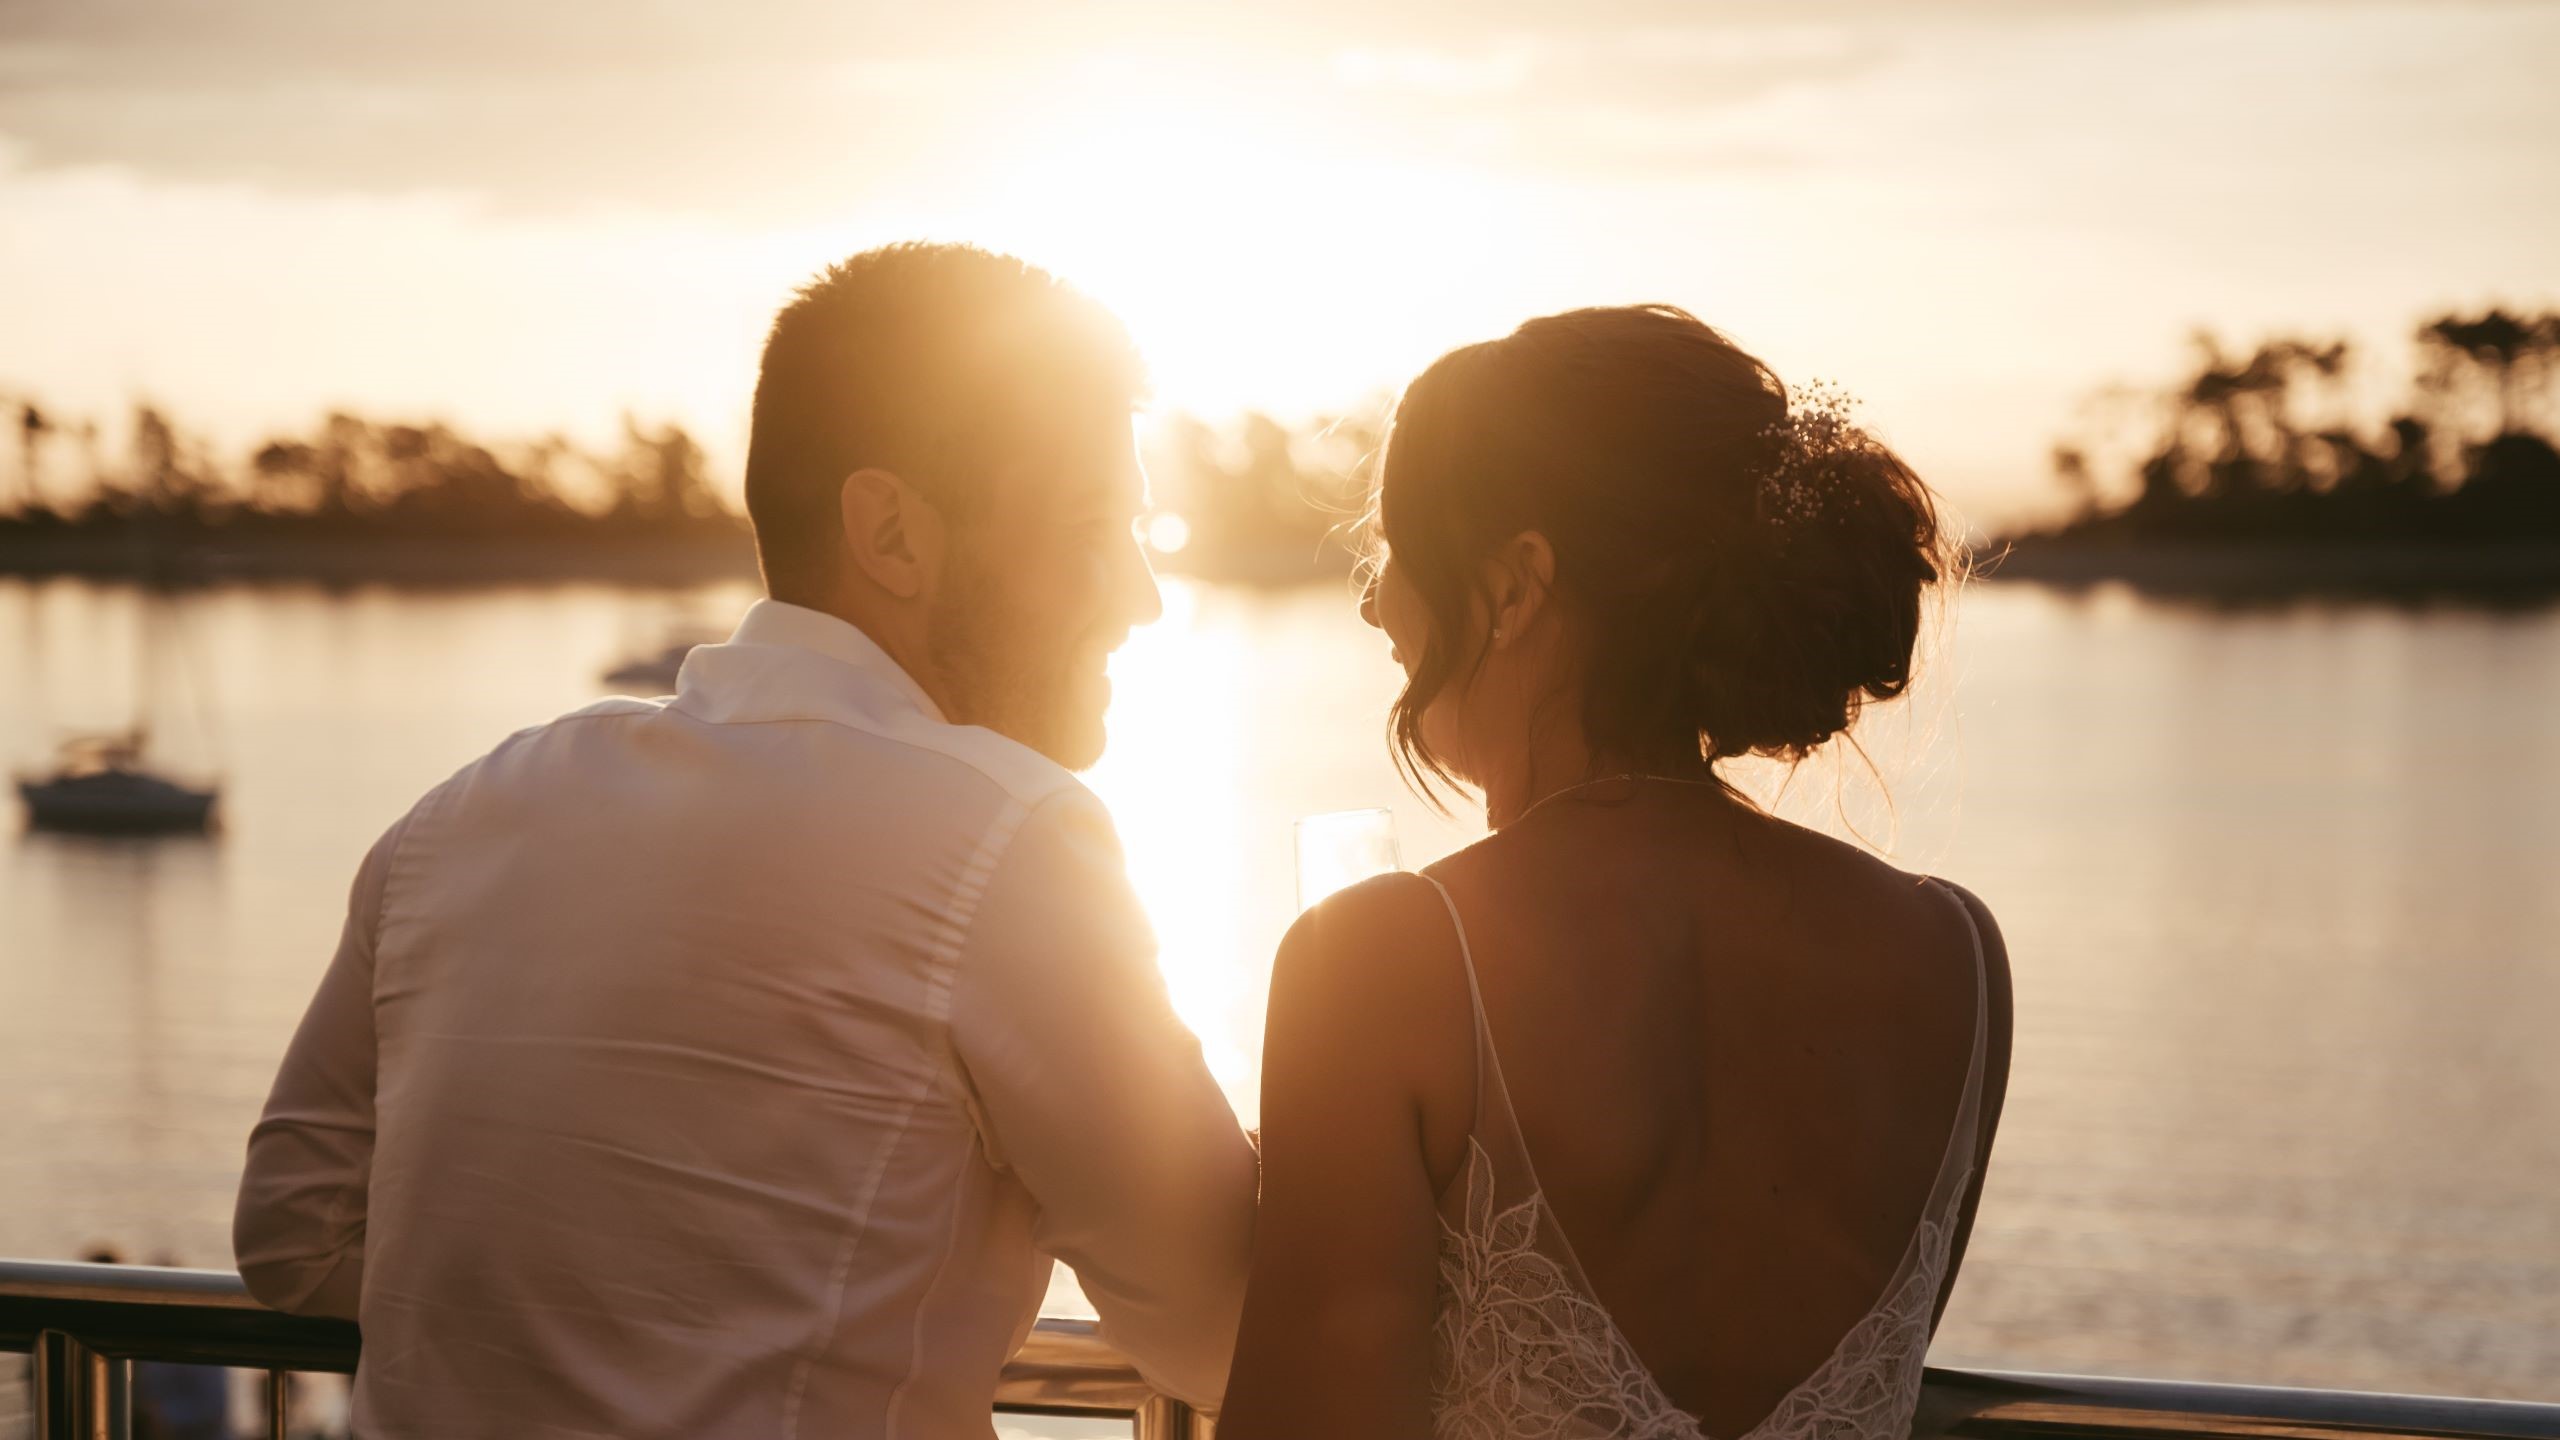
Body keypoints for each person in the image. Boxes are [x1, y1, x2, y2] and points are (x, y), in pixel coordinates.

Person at [234, 243, 1257, 1438]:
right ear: (893, 536)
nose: (1139, 595)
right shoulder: (1005, 836)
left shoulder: (460, 816)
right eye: (1091, 526)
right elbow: (1226, 1325)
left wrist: (591, 1305)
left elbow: (294, 1235)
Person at [1220, 306, 2014, 1439]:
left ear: (1512, 587)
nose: (1373, 600)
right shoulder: (1955, 960)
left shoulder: (1387, 962)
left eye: (1396, 548)